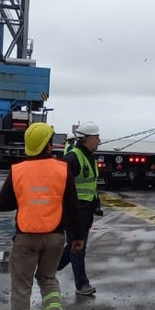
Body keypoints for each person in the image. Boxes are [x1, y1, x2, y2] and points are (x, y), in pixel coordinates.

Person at [0, 123, 84, 310]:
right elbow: (73, 207)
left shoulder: (18, 170)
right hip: (55, 237)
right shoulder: (62, 169)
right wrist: (78, 238)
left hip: (25, 238)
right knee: (48, 280)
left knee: (21, 288)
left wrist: (25, 197)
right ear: (48, 144)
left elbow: (2, 204)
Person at [57, 121, 102, 296]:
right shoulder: (73, 158)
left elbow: (90, 184)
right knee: (78, 247)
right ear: (86, 139)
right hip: (74, 212)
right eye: (96, 137)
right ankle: (81, 284)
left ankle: (52, 266)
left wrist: (96, 202)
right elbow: (62, 186)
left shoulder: (89, 156)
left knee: (75, 245)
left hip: (86, 210)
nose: (99, 140)